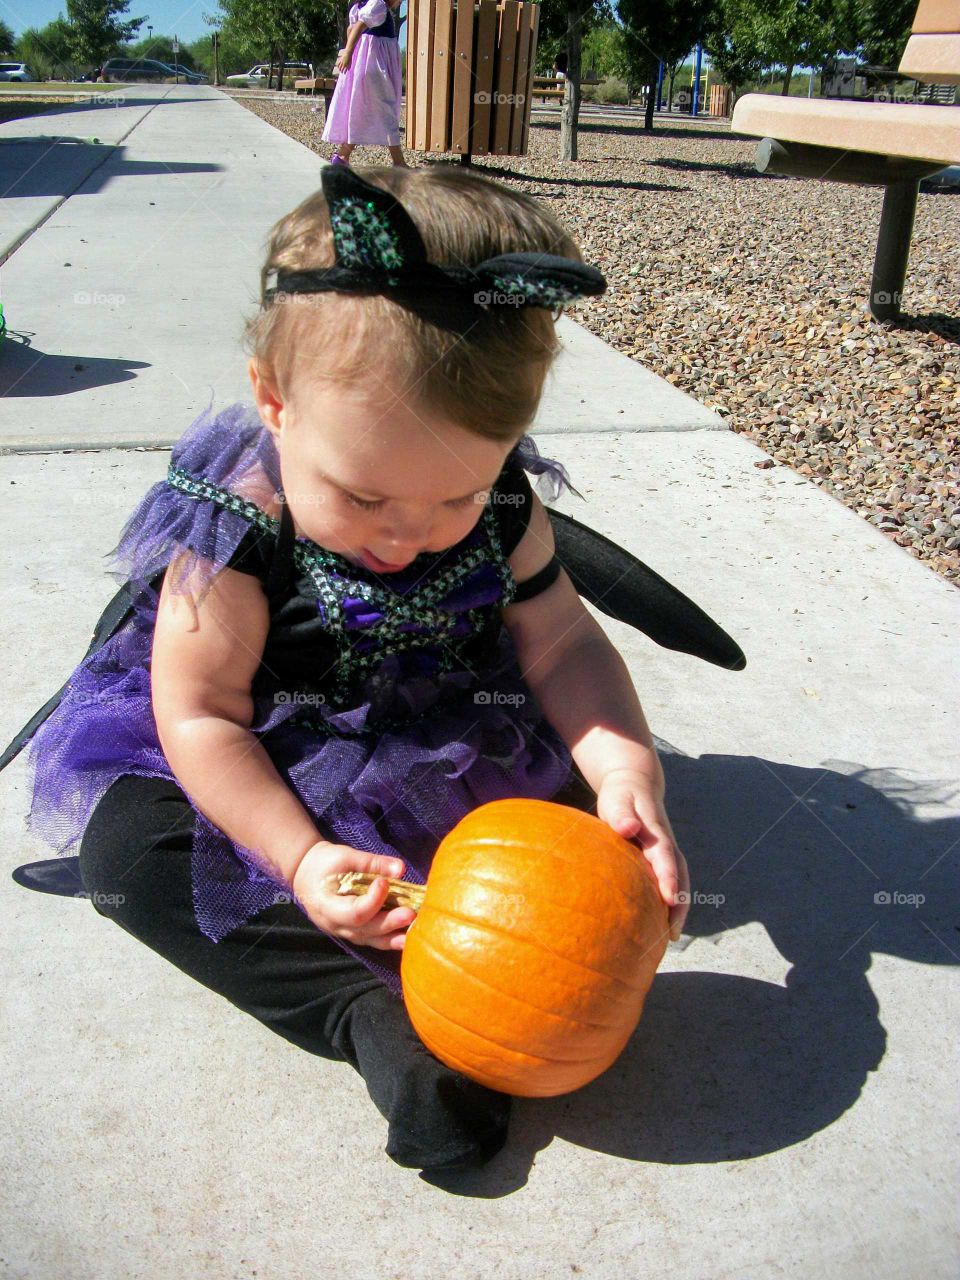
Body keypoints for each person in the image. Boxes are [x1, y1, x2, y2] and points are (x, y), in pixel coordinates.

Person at [9, 164, 690, 1173]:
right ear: (273, 401)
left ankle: (444, 946)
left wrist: (627, 770)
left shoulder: (502, 502)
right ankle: (368, 1012)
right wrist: (295, 855)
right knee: (129, 855)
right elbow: (199, 714)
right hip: (259, 758)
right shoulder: (239, 525)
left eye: (454, 497)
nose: (409, 534)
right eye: (366, 497)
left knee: (566, 844)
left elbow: (561, 640)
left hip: (446, 744)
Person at [322, 0, 407, 167]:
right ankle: (399, 163)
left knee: (361, 112)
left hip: (365, 64)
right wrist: (348, 53)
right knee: (387, 111)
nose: (399, 3)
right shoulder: (379, 4)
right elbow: (360, 26)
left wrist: (352, 55)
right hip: (375, 66)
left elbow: (350, 29)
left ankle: (342, 156)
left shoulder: (358, 7)